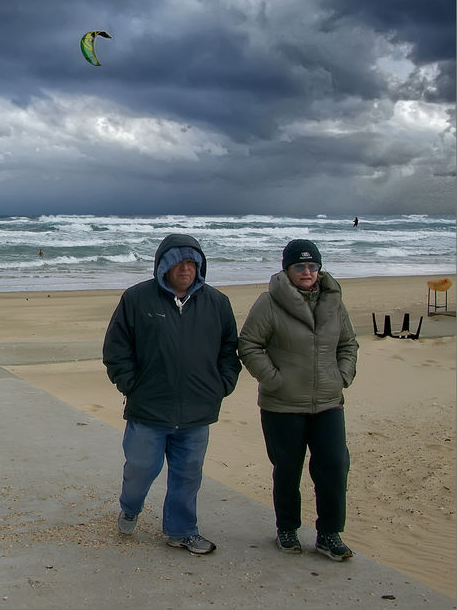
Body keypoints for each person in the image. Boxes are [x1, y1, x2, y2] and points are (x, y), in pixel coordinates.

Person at [102, 234, 241, 555]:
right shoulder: (137, 299)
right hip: (148, 409)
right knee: (140, 470)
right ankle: (130, 507)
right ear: (163, 265)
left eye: (191, 262)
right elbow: (116, 347)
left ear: (200, 266)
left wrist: (221, 386)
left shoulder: (217, 303)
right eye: (178, 261)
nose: (185, 269)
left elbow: (229, 349)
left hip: (196, 412)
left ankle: (182, 531)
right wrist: (130, 384)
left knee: (187, 475)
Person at [238, 239, 358, 561]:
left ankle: (329, 534)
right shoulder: (269, 303)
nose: (307, 272)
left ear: (319, 268)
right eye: (300, 266)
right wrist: (276, 380)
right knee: (288, 469)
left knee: (334, 466)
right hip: (282, 406)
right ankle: (287, 528)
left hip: (329, 403)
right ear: (287, 269)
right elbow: (249, 344)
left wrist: (342, 376)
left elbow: (348, 344)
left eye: (312, 266)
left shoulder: (333, 301)